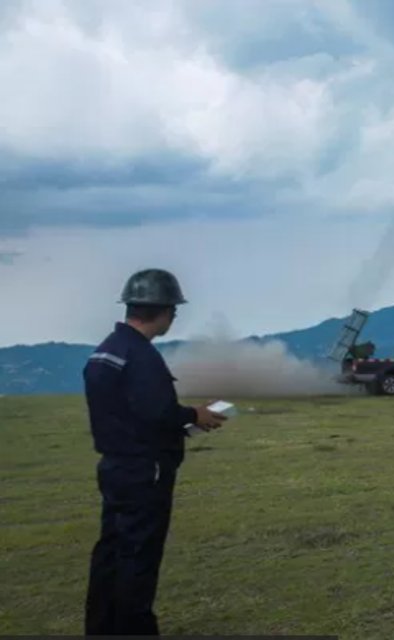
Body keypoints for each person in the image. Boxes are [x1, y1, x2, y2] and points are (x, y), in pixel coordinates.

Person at [83, 268, 226, 635]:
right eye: (173, 310)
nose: (174, 316)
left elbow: (130, 414)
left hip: (115, 467)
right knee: (139, 558)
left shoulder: (106, 352)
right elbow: (159, 412)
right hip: (145, 472)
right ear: (164, 311)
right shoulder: (141, 356)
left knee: (110, 554)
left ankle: (102, 628)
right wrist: (196, 415)